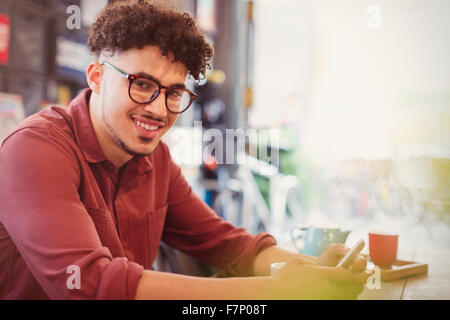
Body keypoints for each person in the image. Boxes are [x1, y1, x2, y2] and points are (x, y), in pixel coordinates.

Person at [0, 0, 370, 300]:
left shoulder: (154, 158)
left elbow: (223, 243)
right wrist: (274, 291)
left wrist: (312, 269)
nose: (159, 110)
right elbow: (88, 284)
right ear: (96, 77)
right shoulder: (34, 150)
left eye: (174, 93)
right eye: (142, 84)